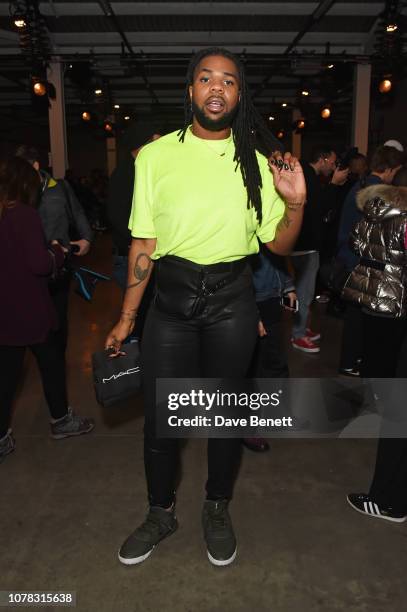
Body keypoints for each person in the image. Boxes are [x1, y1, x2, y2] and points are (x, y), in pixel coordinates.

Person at [105, 47, 306, 567]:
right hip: (169, 305)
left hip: (232, 303)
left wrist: (297, 202)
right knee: (159, 421)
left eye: (229, 81)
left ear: (240, 95)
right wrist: (127, 318)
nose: (217, 88)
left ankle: (216, 506)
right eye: (205, 79)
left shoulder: (259, 165)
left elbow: (278, 246)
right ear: (190, 89)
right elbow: (143, 243)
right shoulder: (154, 157)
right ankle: (160, 510)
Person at [0, 157, 92, 463]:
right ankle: (61, 421)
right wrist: (58, 251)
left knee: (7, 375)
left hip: (5, 310)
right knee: (51, 363)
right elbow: (39, 264)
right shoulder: (23, 214)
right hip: (29, 307)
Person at [343, 167, 407, 522]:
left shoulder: (372, 209)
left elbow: (354, 244)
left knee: (378, 360)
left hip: (371, 290)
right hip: (395, 296)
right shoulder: (403, 219)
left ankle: (390, 499)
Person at [337, 146, 403, 376]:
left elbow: (356, 239)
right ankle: (353, 364)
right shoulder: (378, 197)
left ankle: (356, 366)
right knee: (370, 333)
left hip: (361, 267)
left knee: (364, 328)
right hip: (371, 272)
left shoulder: (367, 193)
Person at [290, 146, 349, 353]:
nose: (333, 166)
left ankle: (300, 328)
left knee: (301, 292)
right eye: (332, 162)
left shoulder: (306, 173)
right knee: (304, 294)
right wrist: (334, 184)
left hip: (300, 244)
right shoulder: (308, 176)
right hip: (305, 246)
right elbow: (319, 207)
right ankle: (297, 335)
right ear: (322, 159)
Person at [106, 122, 160, 339]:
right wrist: (143, 241)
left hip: (138, 253)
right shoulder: (128, 172)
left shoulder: (141, 169)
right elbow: (117, 216)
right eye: (156, 142)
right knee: (141, 319)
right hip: (132, 255)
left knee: (146, 316)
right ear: (142, 145)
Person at [243, 249, 297, 453]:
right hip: (249, 302)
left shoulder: (272, 219)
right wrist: (252, 313)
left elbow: (277, 255)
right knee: (251, 370)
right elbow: (237, 270)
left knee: (276, 362)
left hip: (271, 298)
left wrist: (287, 286)